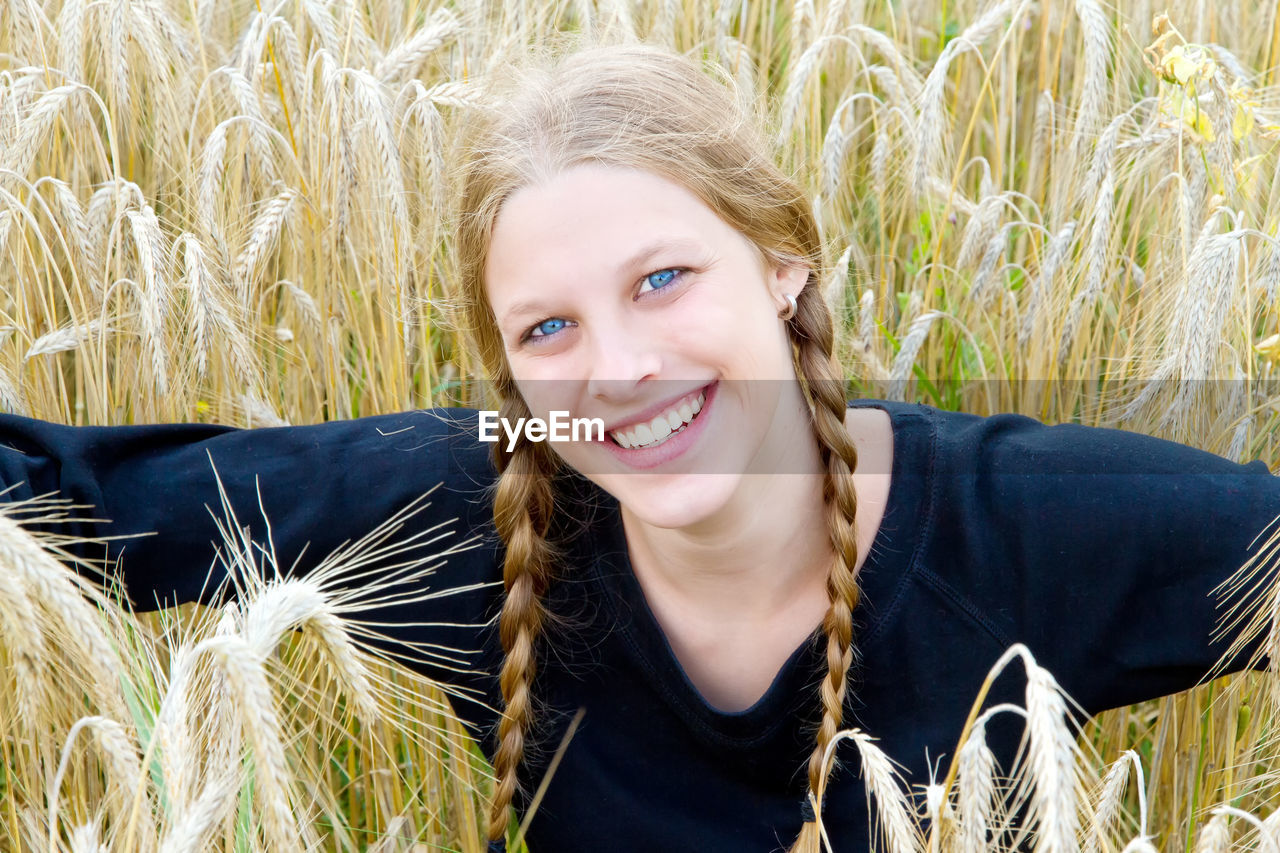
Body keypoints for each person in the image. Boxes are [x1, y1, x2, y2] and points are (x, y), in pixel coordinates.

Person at [2, 41, 1279, 853]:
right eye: (548, 326)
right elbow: (81, 505)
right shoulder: (465, 509)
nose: (615, 365)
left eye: (662, 279)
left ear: (782, 264)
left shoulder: (1030, 523)